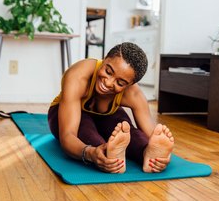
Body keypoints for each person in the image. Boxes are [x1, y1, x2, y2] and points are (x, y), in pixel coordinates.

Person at [48, 42, 174, 173]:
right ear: (104, 58)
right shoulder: (78, 75)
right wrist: (90, 153)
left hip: (106, 116)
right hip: (67, 113)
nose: (108, 82)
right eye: (108, 71)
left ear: (130, 84)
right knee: (88, 131)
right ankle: (106, 153)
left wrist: (161, 157)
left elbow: (153, 135)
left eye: (120, 83)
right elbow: (68, 135)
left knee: (126, 129)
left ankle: (145, 154)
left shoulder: (134, 94)